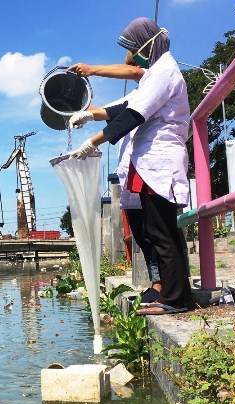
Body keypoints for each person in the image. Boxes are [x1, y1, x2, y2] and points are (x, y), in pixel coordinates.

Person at [68, 17, 192, 314]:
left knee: (162, 230)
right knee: (156, 228)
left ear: (148, 44)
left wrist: (92, 142)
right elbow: (125, 106)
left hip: (159, 158)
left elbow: (133, 115)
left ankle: (176, 298)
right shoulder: (156, 73)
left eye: (135, 47)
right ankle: (172, 294)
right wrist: (90, 115)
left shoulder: (164, 71)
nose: (133, 53)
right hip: (148, 160)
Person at [66, 62, 162, 303]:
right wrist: (80, 111)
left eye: (129, 61)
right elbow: (109, 111)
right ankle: (156, 283)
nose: (126, 67)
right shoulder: (136, 94)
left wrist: (91, 70)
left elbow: (126, 110)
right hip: (131, 173)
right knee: (140, 233)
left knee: (155, 232)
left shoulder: (155, 85)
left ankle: (162, 286)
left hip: (149, 168)